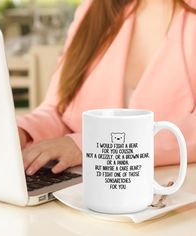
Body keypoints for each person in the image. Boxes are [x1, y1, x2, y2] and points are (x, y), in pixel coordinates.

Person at [17, 0, 196, 176]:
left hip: (172, 189)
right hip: (85, 188)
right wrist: (22, 131)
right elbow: (58, 108)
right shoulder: (94, 10)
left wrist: (91, 146)